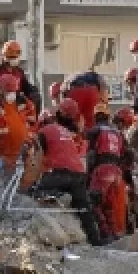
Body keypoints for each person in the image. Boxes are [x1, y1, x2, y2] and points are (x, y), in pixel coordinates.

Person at [31, 98, 104, 245]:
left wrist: (33, 181)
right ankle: (96, 242)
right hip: (79, 175)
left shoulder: (43, 132)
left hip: (59, 174)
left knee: (34, 191)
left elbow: (37, 160)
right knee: (84, 210)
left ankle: (56, 195)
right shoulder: (66, 132)